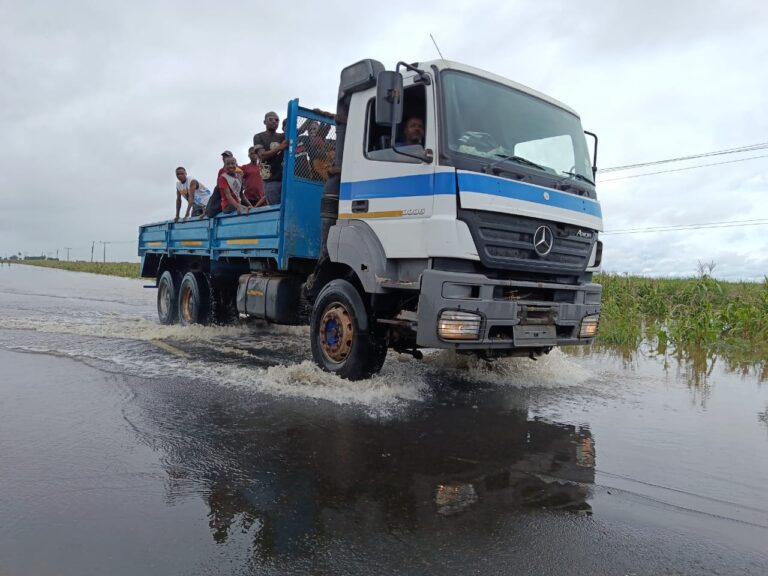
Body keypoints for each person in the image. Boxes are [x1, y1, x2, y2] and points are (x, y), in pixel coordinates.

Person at [253, 111, 288, 205]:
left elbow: (299, 131)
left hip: (285, 179)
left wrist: (314, 114)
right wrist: (280, 147)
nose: (274, 121)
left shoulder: (282, 136)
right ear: (264, 122)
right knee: (276, 208)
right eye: (271, 119)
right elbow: (262, 155)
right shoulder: (259, 136)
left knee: (287, 207)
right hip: (270, 181)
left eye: (277, 120)